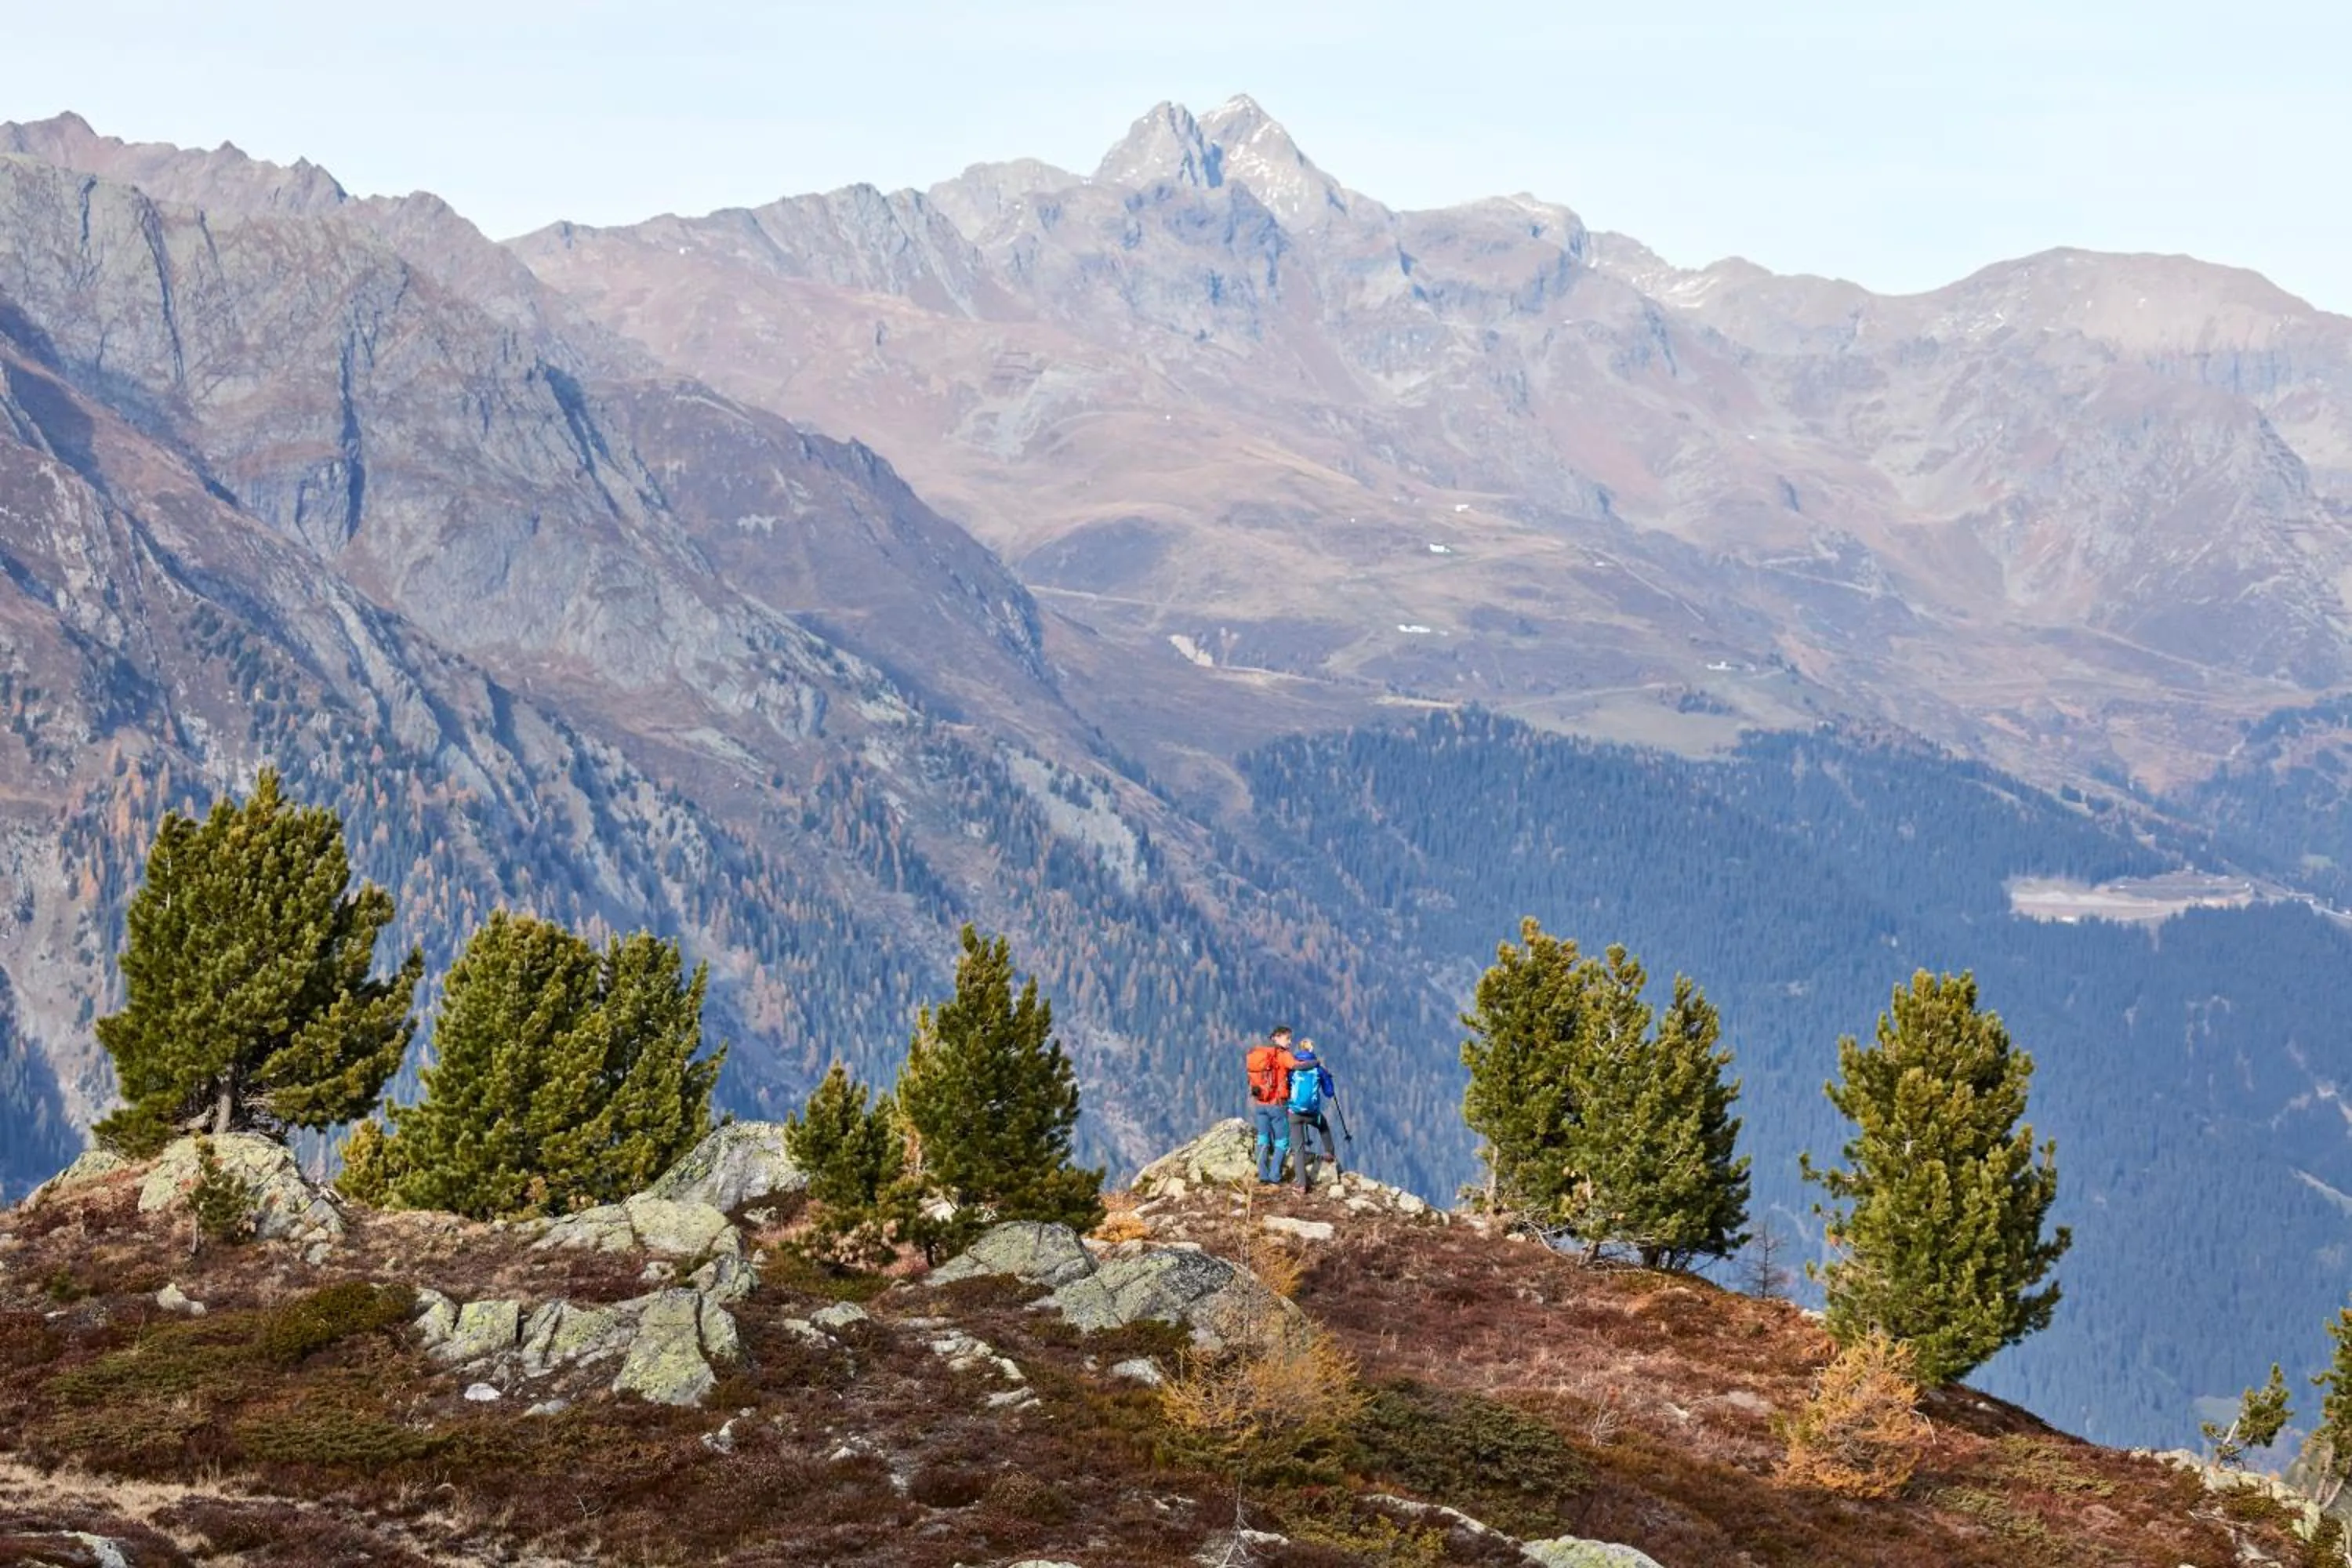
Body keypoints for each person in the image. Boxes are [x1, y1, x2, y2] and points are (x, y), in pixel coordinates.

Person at [1246, 1025, 1298, 1184]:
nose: (1289, 1042)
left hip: (1260, 1103)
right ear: (1278, 1037)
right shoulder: (1282, 1055)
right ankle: (1275, 1175)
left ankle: (1263, 1173)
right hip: (1277, 1105)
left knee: (1263, 1139)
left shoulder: (1260, 1053)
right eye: (1287, 1038)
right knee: (1282, 1141)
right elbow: (1296, 1066)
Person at [1287, 1041, 1340, 1192]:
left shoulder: (1293, 1069)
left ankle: (1302, 1185)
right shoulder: (1319, 1070)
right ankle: (1329, 1153)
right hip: (1312, 1114)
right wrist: (1328, 1079)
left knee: (1298, 1148)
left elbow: (1288, 1086)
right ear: (1312, 1050)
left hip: (1295, 1114)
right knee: (1323, 1126)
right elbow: (1329, 1093)